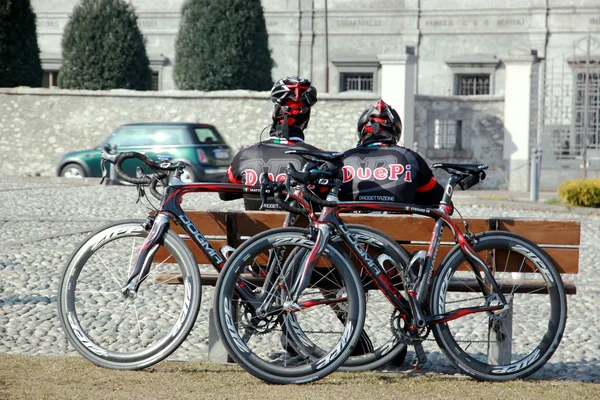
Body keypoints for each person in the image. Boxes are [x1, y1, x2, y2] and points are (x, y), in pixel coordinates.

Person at [219, 76, 320, 210]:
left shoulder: (245, 154)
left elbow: (224, 193)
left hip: (253, 231)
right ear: (306, 120)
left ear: (275, 115)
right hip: (299, 230)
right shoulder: (319, 158)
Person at [340, 98, 445, 206]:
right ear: (395, 132)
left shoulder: (343, 159)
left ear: (362, 132)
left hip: (350, 221)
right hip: (400, 222)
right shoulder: (411, 157)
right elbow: (438, 200)